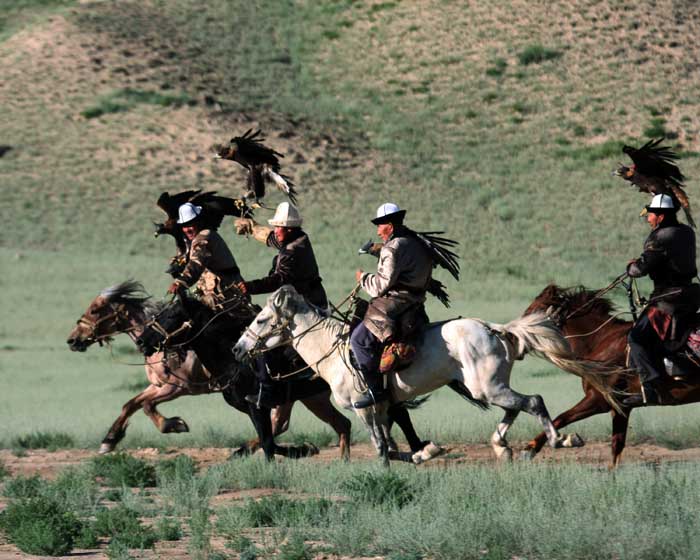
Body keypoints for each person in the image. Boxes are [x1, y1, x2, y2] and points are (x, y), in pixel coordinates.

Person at [234, 202, 328, 406]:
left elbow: (279, 279)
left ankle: (267, 392)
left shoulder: (292, 251)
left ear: (289, 229)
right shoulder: (297, 239)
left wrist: (248, 287)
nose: (276, 231)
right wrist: (252, 226)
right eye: (275, 227)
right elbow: (272, 239)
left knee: (265, 343)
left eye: (279, 227)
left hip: (305, 308)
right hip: (304, 303)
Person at [351, 203, 433, 409]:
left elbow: (380, 285)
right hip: (416, 301)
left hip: (396, 302)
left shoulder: (393, 248)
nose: (378, 230)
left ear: (389, 225)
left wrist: (363, 278)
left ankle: (376, 391)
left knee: (358, 339)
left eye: (380, 225)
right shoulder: (415, 241)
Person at [623, 194, 700, 406]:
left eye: (651, 214)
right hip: (691, 296)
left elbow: (640, 269)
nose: (648, 218)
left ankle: (651, 387)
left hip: (668, 301)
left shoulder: (660, 237)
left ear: (661, 216)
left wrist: (630, 267)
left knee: (636, 339)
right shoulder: (687, 232)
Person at [167, 202, 245, 311]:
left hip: (228, 296)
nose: (187, 229)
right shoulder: (193, 240)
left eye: (190, 224)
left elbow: (196, 264)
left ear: (199, 221)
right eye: (184, 226)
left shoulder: (204, 237)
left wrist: (180, 282)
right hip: (213, 296)